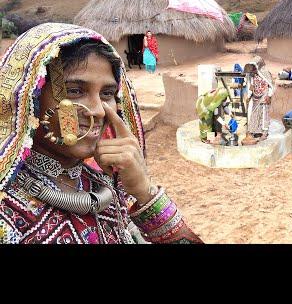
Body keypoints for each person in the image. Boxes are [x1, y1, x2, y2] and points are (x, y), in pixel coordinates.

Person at [0, 23, 203, 244]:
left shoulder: (108, 189)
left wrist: (145, 192)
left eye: (107, 93)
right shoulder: (6, 213)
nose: (97, 111)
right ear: (29, 98)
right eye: (75, 91)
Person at [244, 56, 275, 141]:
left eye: (254, 66)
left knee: (264, 113)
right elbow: (251, 85)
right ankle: (255, 130)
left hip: (264, 95)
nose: (253, 68)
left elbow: (271, 86)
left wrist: (269, 95)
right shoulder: (252, 75)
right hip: (255, 96)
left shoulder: (265, 73)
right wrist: (249, 96)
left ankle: (264, 132)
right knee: (254, 114)